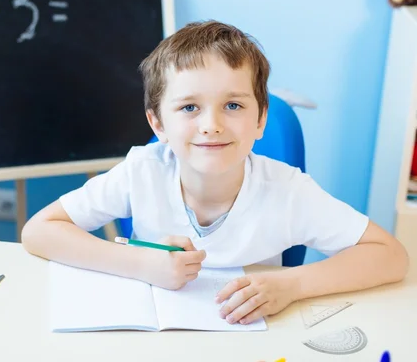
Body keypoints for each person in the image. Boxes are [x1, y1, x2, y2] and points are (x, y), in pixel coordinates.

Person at [22, 20, 409, 325]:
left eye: (234, 106)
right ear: (158, 126)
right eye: (189, 107)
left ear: (261, 120)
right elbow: (39, 231)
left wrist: (292, 285)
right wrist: (140, 264)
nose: (211, 124)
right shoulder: (142, 170)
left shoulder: (288, 191)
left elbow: (390, 256)